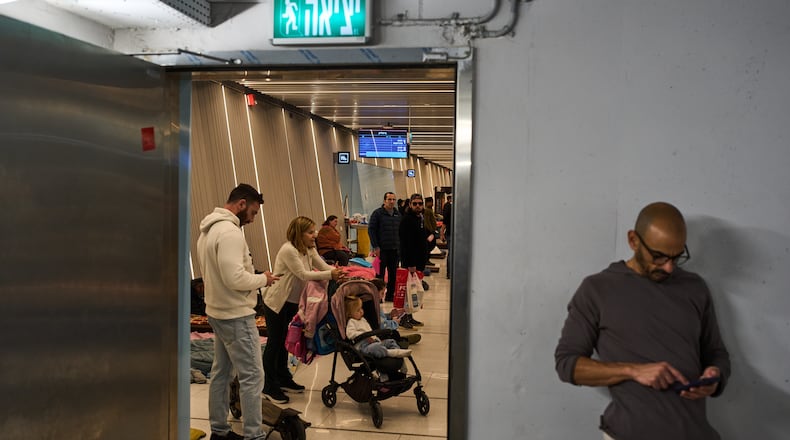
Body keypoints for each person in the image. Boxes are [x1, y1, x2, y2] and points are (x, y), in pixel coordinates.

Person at [554, 202, 731, 440]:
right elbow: (567, 364)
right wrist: (633, 370)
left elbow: (717, 353)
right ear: (633, 240)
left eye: (677, 257)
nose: (668, 267)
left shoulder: (695, 287)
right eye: (658, 257)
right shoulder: (597, 290)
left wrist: (715, 376)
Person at [196, 183, 278, 440]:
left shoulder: (207, 230)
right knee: (253, 375)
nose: (253, 219)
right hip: (235, 315)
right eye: (253, 213)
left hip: (217, 312)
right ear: (241, 204)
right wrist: (263, 279)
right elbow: (234, 278)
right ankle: (254, 435)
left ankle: (219, 431)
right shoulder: (230, 233)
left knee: (221, 373)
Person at [262, 216, 345, 404]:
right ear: (299, 234)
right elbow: (303, 274)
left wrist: (336, 271)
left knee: (285, 341)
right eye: (310, 232)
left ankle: (283, 378)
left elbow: (321, 266)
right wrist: (329, 274)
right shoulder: (288, 250)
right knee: (275, 343)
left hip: (292, 302)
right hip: (277, 302)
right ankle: (269, 385)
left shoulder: (309, 249)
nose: (314, 235)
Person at [399, 193, 433, 327]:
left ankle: (410, 315)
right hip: (410, 263)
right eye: (415, 204)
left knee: (413, 291)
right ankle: (403, 317)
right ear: (410, 205)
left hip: (418, 262)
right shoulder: (406, 220)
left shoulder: (420, 218)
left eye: (420, 203)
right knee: (407, 291)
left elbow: (420, 238)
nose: (418, 206)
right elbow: (406, 244)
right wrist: (410, 264)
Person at [345, 296, 412, 358]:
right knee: (376, 347)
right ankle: (391, 353)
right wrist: (365, 336)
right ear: (349, 313)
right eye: (358, 310)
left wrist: (376, 339)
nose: (361, 311)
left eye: (361, 308)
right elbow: (350, 334)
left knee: (391, 341)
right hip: (363, 346)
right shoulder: (351, 321)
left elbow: (370, 331)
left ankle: (397, 355)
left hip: (374, 341)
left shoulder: (363, 319)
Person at [368, 192, 401, 302]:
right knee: (379, 275)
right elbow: (371, 230)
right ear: (384, 201)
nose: (392, 202)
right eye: (389, 199)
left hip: (394, 250)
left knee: (393, 275)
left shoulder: (397, 214)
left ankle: (390, 295)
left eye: (393, 199)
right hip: (382, 250)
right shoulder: (377, 214)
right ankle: (377, 296)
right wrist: (375, 246)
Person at [440, 194, 453, 279]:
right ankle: (451, 272)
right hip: (453, 233)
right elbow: (445, 221)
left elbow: (445, 221)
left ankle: (449, 273)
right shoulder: (450, 207)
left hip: (450, 233)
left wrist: (442, 233)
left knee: (451, 253)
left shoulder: (448, 207)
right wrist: (441, 233)